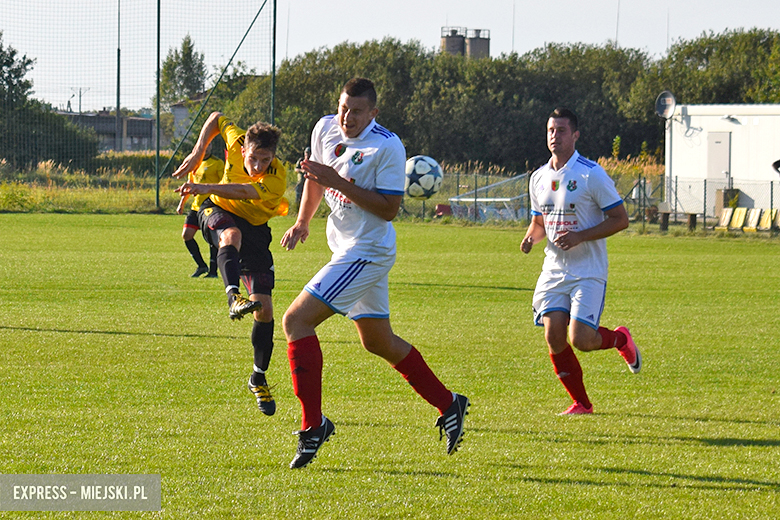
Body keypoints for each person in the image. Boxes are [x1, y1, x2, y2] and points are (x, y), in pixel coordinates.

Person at [280, 77, 469, 469]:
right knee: (378, 341)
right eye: (343, 108)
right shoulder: (324, 128)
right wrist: (303, 221)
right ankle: (450, 404)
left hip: (368, 250)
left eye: (356, 111)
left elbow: (388, 209)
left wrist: (337, 181)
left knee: (296, 321)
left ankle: (313, 426)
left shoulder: (387, 146)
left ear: (373, 113)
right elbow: (316, 181)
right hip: (345, 246)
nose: (346, 118)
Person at [521, 107, 641, 415]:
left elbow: (620, 219)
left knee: (582, 339)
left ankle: (620, 339)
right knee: (553, 335)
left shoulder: (591, 174)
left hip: (588, 270)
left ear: (575, 135)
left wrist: (580, 236)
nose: (555, 136)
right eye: (551, 130)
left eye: (561, 131)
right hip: (554, 269)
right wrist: (531, 238)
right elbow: (539, 222)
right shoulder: (538, 177)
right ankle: (582, 404)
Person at [173, 111, 289, 416]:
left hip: (256, 230)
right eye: (253, 158)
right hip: (217, 210)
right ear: (242, 148)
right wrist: (197, 153)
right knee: (230, 235)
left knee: (265, 310)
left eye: (265, 160)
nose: (258, 166)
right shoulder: (236, 139)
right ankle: (233, 297)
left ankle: (258, 378)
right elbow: (216, 118)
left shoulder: (277, 177)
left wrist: (208, 186)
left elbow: (245, 190)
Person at [176, 142, 224, 278]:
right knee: (187, 235)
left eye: (209, 145)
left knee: (212, 238)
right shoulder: (194, 163)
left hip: (211, 206)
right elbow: (189, 185)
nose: (207, 148)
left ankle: (213, 271)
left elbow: (224, 184)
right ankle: (201, 266)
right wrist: (181, 203)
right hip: (196, 207)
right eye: (205, 145)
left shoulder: (217, 163)